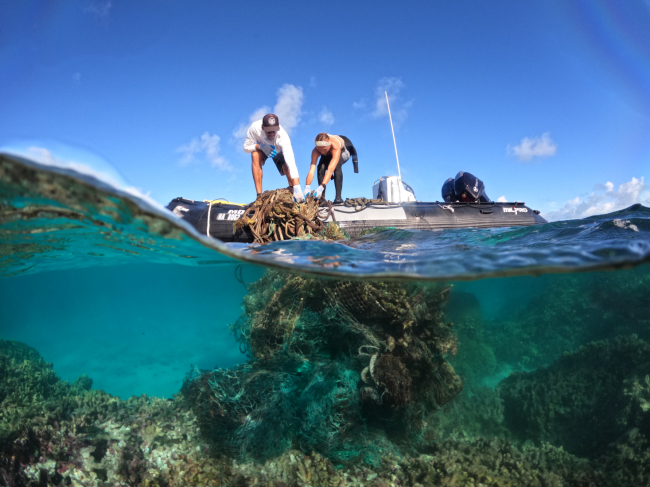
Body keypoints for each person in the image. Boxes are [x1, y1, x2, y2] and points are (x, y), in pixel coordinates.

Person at [243, 113, 305, 202]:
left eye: (274, 131)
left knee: (287, 167)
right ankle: (259, 197)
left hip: (278, 151)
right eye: (269, 131)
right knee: (255, 155)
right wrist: (260, 146)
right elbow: (246, 147)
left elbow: (291, 162)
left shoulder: (283, 137)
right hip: (263, 148)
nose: (272, 134)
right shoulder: (255, 128)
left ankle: (293, 190)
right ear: (263, 127)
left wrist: (297, 187)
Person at [304, 133, 358, 204]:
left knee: (336, 166)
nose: (322, 152)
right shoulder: (315, 151)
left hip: (345, 147)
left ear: (328, 144)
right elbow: (311, 170)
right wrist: (307, 186)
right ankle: (322, 198)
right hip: (329, 150)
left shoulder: (335, 146)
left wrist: (321, 187)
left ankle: (338, 198)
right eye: (320, 151)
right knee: (320, 166)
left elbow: (330, 170)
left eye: (324, 150)